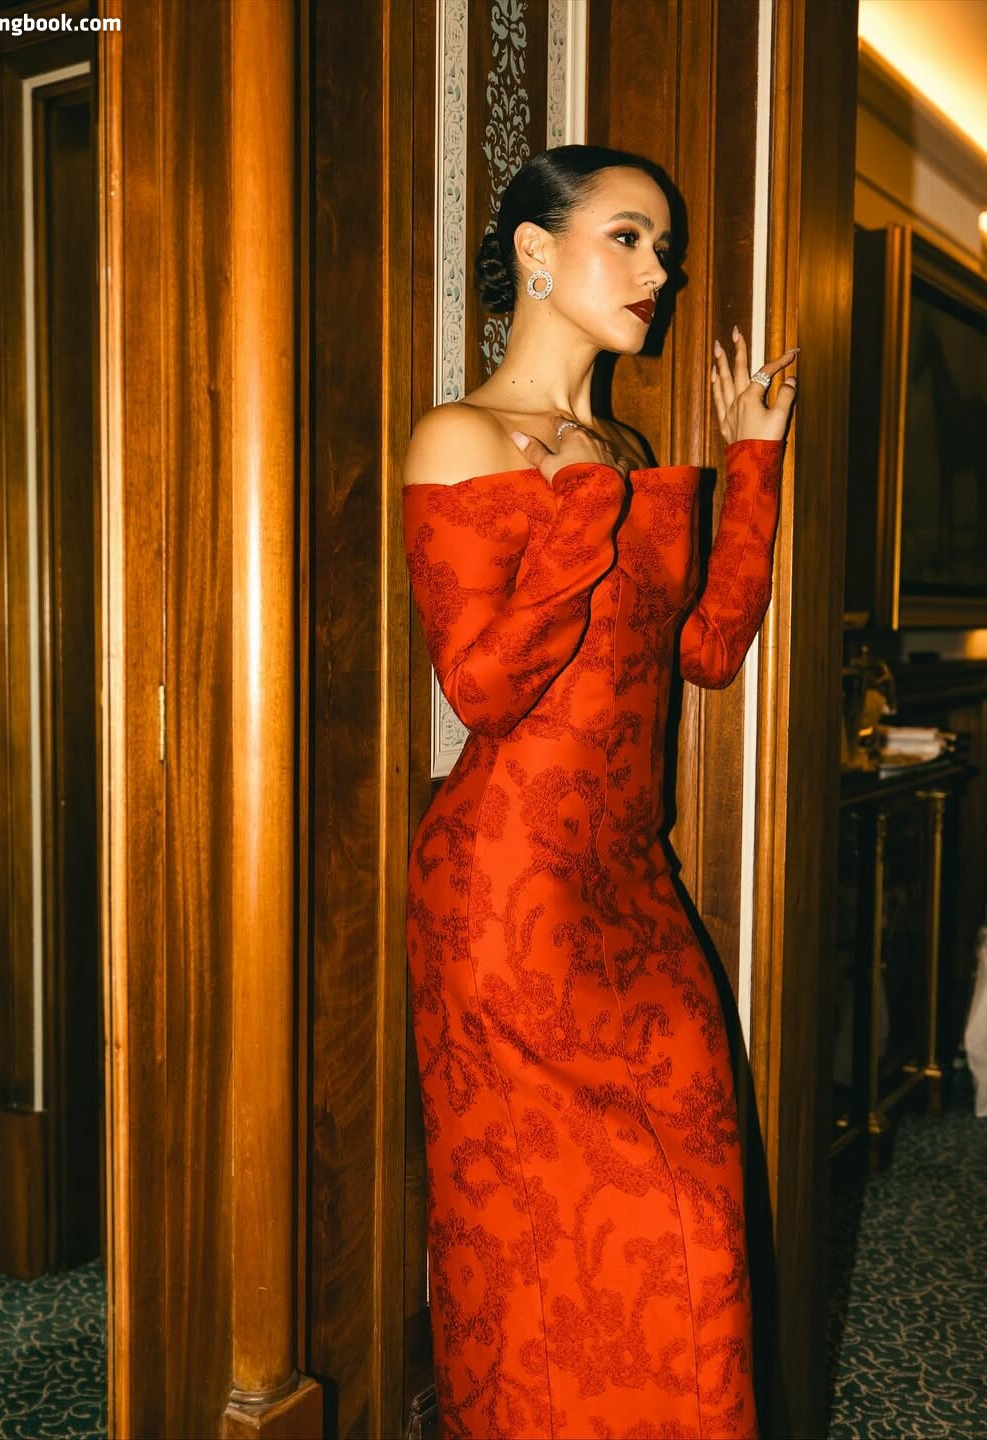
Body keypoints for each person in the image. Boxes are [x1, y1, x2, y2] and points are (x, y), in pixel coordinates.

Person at [401, 144, 797, 1440]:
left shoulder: (620, 447)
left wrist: (751, 462)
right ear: (535, 249)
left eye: (662, 249)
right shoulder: (456, 435)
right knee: (532, 1252)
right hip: (504, 898)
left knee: (692, 1225)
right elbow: (480, 687)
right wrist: (584, 510)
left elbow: (708, 650)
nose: (656, 271)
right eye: (628, 237)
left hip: (631, 888)